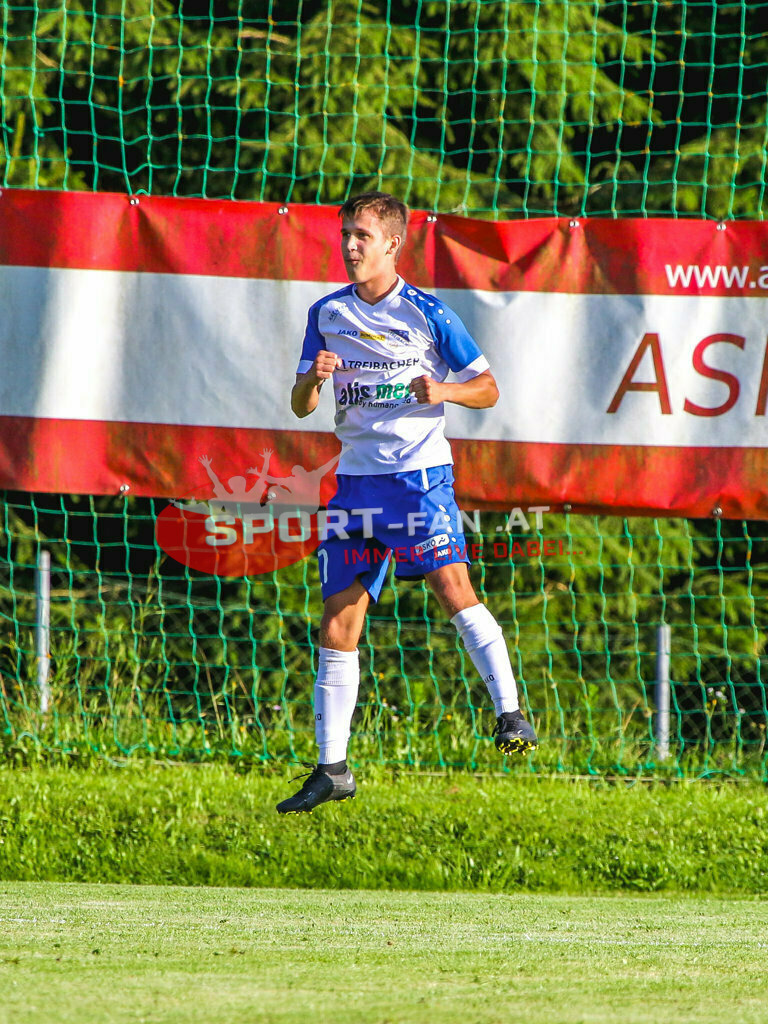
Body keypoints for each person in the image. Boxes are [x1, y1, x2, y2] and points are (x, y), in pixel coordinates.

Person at [277, 191, 536, 814]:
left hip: (420, 480)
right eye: (346, 234)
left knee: (452, 588)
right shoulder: (326, 312)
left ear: (392, 244)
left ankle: (510, 714)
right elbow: (299, 405)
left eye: (362, 236)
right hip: (356, 486)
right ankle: (332, 767)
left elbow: (488, 388)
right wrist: (313, 377)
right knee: (338, 621)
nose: (349, 245)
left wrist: (442, 387)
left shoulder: (429, 313)